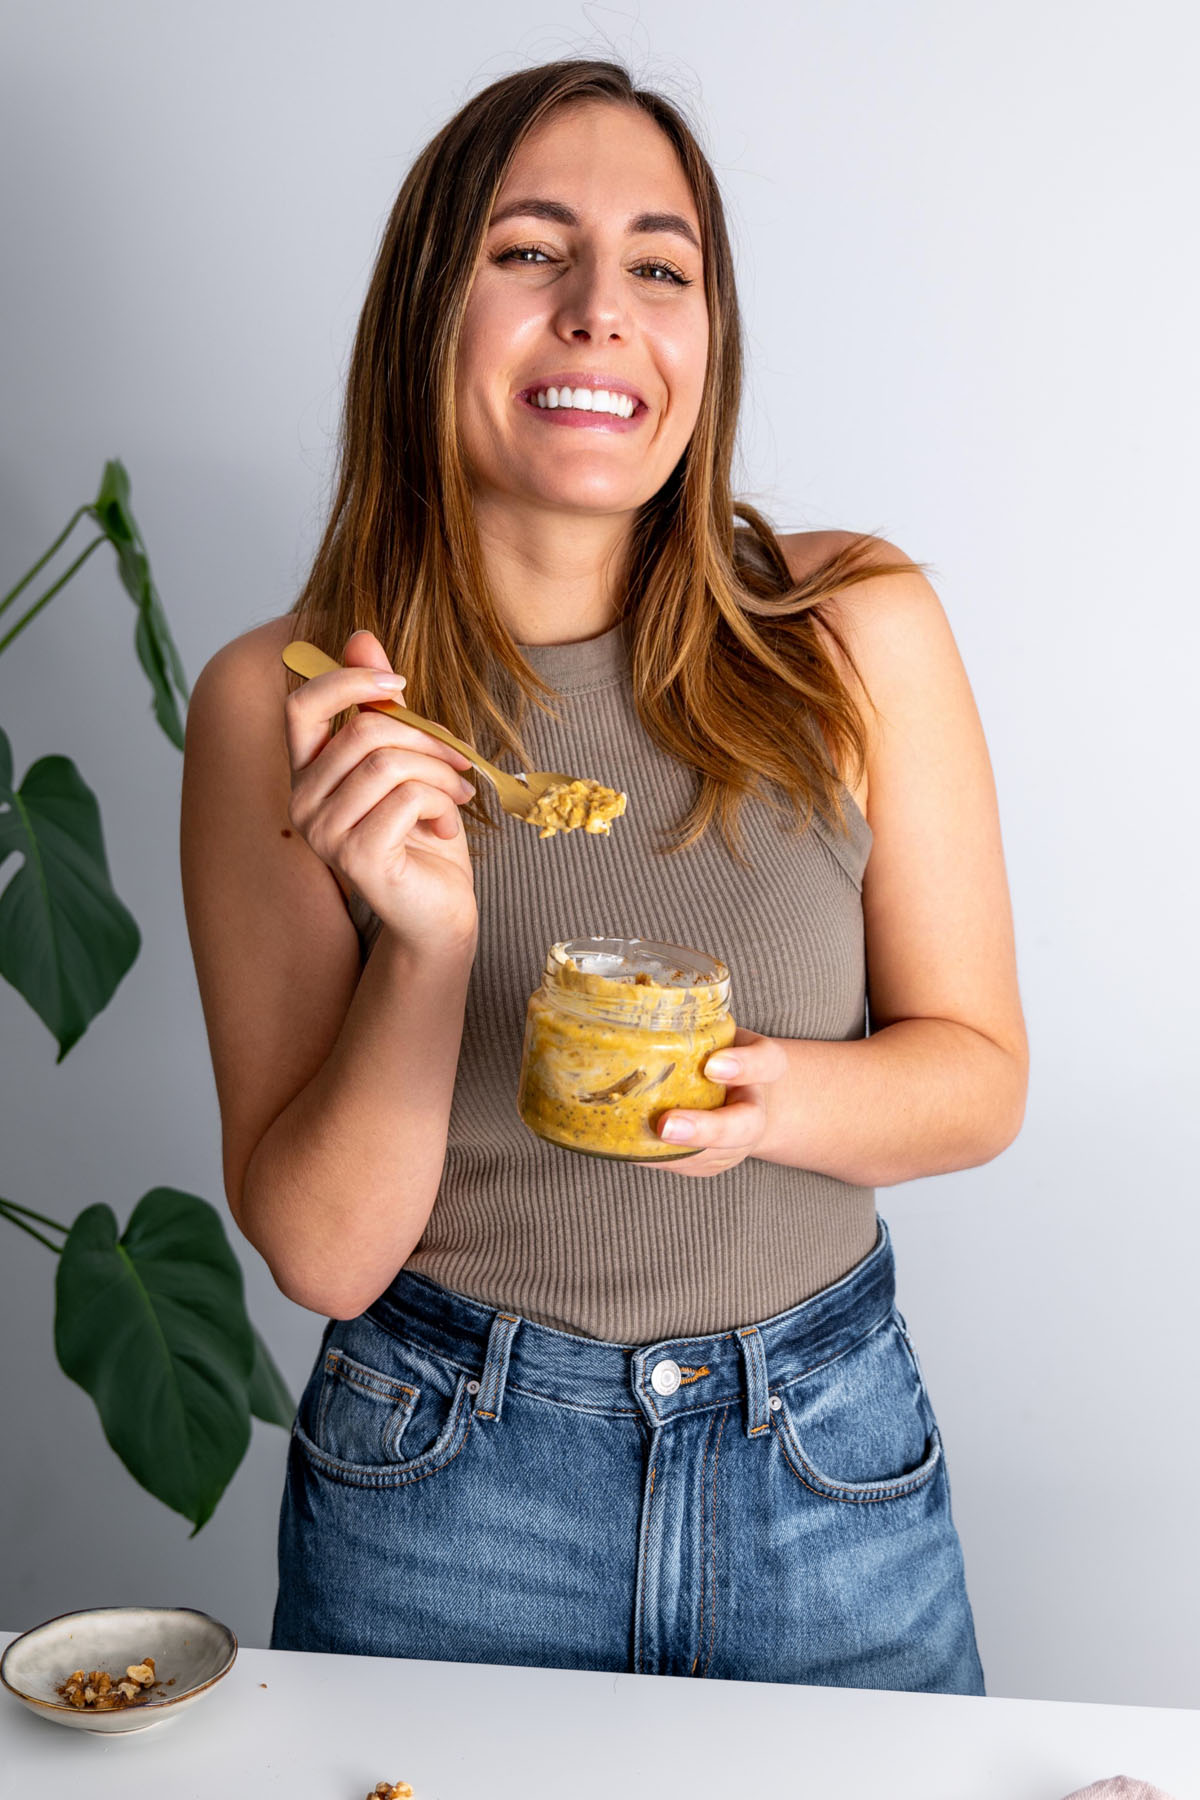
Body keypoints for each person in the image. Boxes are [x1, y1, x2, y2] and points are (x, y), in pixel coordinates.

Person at [180, 58, 1027, 1692]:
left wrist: (753, 1104)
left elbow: (979, 1081)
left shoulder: (856, 626)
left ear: (707, 341)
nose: (598, 309)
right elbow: (328, 1256)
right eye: (527, 250)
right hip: (444, 1483)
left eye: (660, 265)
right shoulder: (280, 706)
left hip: (823, 1456)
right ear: (431, 306)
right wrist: (426, 944)